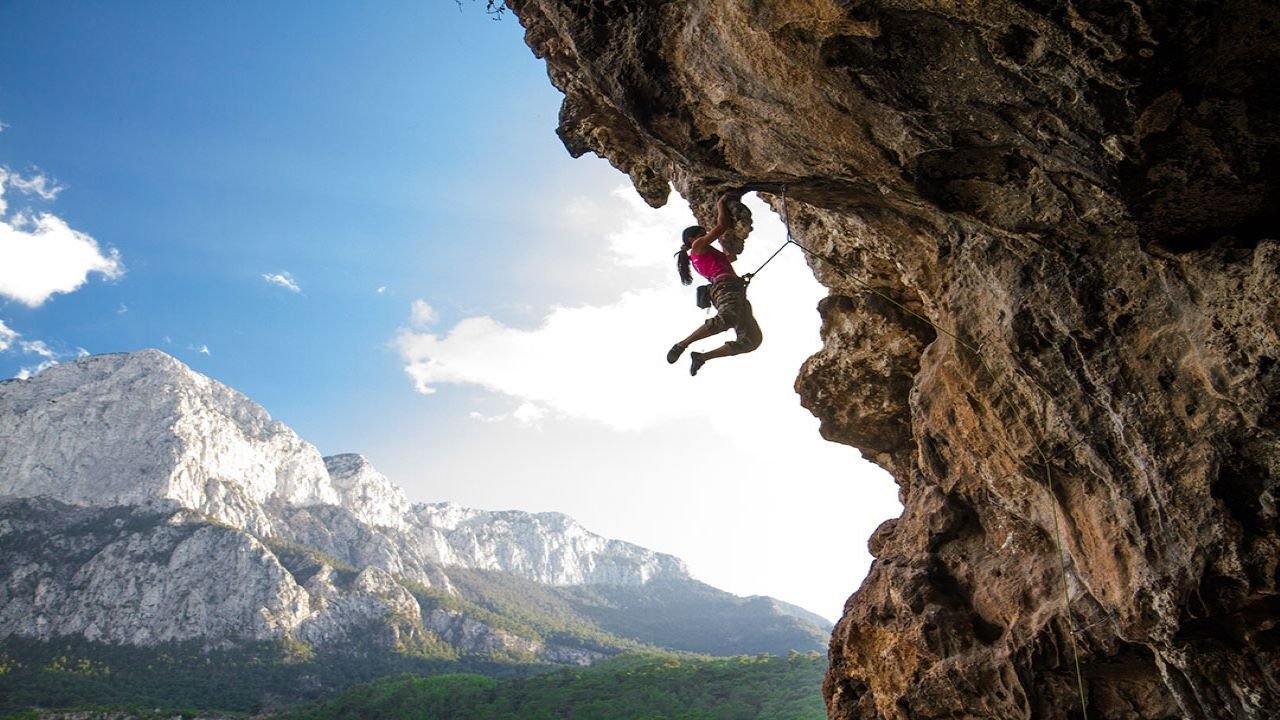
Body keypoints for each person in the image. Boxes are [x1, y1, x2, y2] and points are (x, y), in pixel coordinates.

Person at [667, 192, 763, 376]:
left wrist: (726, 241)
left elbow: (731, 256)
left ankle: (701, 357)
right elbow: (722, 226)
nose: (706, 235)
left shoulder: (707, 253)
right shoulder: (697, 247)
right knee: (727, 318)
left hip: (733, 287)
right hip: (724, 286)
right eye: (702, 233)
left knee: (751, 340)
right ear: (691, 239)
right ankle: (682, 344)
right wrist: (721, 203)